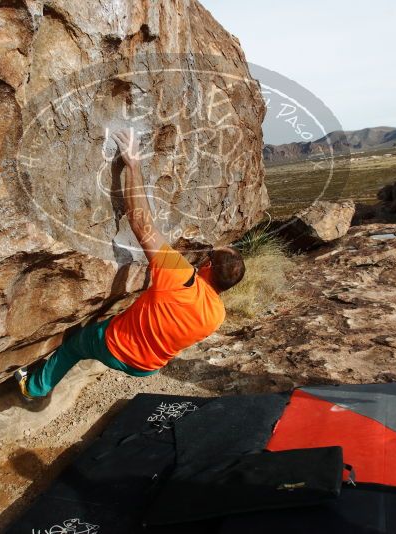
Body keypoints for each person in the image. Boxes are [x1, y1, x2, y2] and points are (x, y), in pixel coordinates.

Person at [15, 129, 246, 399]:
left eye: (210, 254)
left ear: (207, 265)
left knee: (74, 346)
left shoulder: (180, 275)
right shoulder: (217, 315)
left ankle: (33, 388)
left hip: (114, 347)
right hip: (147, 368)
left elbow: (140, 223)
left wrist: (133, 165)